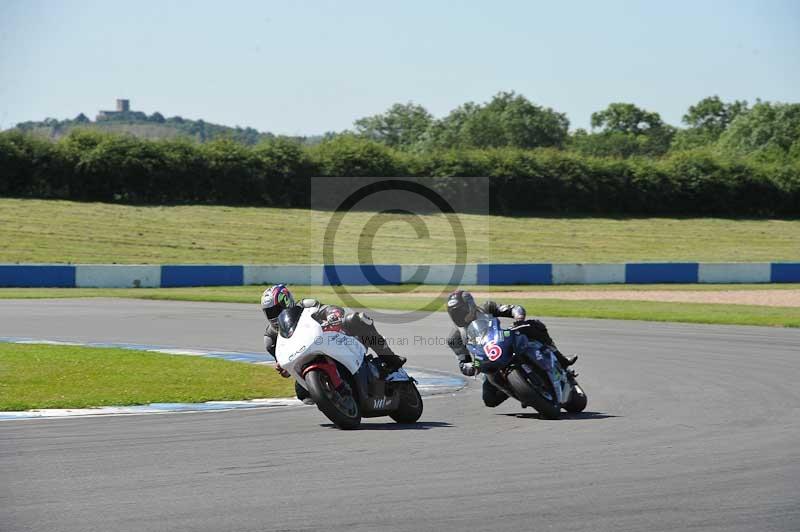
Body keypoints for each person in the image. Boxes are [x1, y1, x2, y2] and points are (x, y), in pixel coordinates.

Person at [261, 284, 407, 403]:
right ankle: (333, 400)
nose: (274, 314)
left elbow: (329, 309)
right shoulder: (271, 339)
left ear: (287, 301)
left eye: (277, 309)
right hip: (306, 358)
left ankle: (390, 358)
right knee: (302, 393)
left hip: (332, 339)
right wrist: (283, 370)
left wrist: (333, 314)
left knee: (358, 319)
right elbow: (287, 369)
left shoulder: (305, 306)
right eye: (270, 312)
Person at [445, 289, 577, 408]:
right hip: (488, 360)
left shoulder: (487, 308)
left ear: (470, 305)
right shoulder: (454, 337)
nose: (458, 315)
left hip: (504, 342)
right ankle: (520, 390)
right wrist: (470, 367)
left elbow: (513, 308)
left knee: (534, 326)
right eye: (454, 313)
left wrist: (518, 317)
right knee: (490, 400)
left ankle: (561, 358)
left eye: (460, 311)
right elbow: (463, 361)